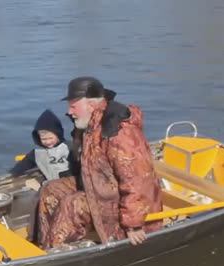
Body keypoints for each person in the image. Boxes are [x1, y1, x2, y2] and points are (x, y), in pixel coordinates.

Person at [37, 76, 163, 249]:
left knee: (72, 205)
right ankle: (44, 245)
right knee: (50, 189)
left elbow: (138, 181)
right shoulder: (90, 123)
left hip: (123, 203)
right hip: (99, 187)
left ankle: (54, 258)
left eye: (73, 106)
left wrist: (133, 224)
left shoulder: (119, 132)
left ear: (91, 105)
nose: (69, 112)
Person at [10, 109, 74, 181]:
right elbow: (24, 164)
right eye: (44, 139)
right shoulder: (38, 154)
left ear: (58, 135)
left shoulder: (69, 147)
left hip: (71, 181)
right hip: (52, 185)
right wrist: (13, 173)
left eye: (50, 138)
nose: (48, 142)